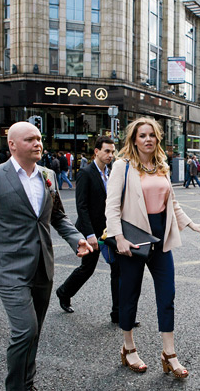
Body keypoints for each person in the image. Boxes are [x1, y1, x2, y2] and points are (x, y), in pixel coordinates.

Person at [0, 122, 92, 391]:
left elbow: (58, 216)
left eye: (39, 138)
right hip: (9, 268)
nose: (38, 143)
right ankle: (15, 387)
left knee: (34, 332)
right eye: (30, 139)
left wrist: (75, 238)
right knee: (24, 330)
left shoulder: (48, 175)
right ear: (12, 145)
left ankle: (28, 382)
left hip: (43, 267)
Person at [105, 117, 200, 377]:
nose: (147, 139)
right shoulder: (122, 166)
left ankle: (169, 353)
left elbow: (172, 204)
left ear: (157, 138)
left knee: (167, 294)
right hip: (134, 237)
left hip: (161, 238)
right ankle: (128, 348)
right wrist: (118, 238)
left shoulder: (161, 166)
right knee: (129, 293)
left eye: (152, 135)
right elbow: (112, 206)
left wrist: (192, 224)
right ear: (134, 139)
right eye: (142, 135)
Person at [56, 137, 136, 325]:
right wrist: (90, 234)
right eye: (107, 151)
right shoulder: (86, 173)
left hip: (110, 231)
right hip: (91, 231)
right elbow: (81, 206)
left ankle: (118, 314)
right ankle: (64, 292)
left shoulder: (111, 173)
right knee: (87, 269)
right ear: (96, 152)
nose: (110, 155)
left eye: (112, 151)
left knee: (118, 270)